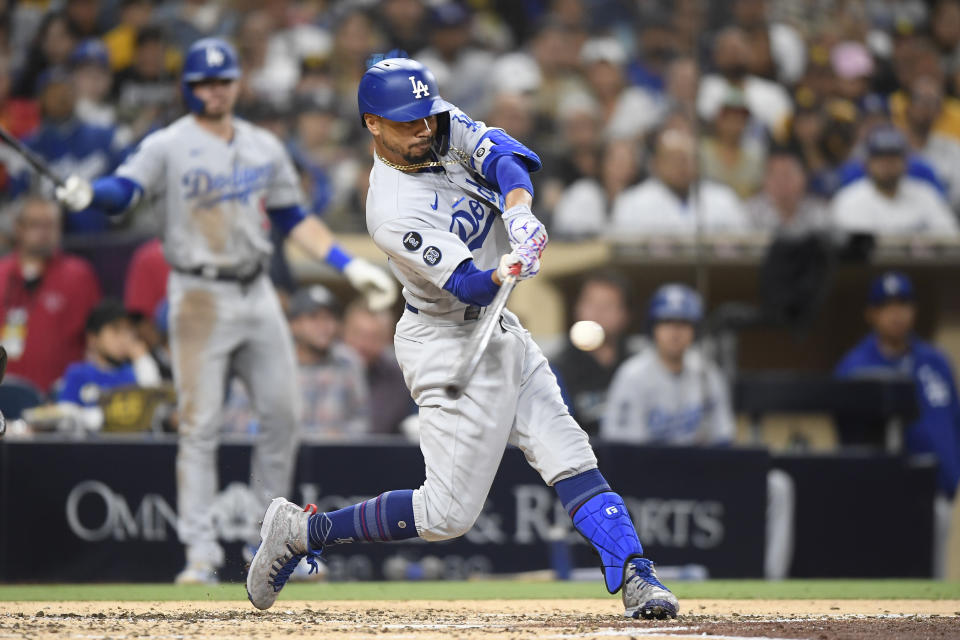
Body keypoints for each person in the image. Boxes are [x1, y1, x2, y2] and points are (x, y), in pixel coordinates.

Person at [246, 56, 678, 620]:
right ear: (372, 124)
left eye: (426, 116)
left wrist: (519, 212)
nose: (424, 129)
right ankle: (304, 531)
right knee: (446, 516)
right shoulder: (390, 209)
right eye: (407, 122)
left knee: (569, 453)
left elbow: (506, 156)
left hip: (500, 332)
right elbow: (469, 286)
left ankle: (638, 576)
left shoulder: (436, 122)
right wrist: (505, 271)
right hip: (445, 340)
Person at [53, 38, 398, 585]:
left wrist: (344, 264)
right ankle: (200, 554)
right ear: (187, 88)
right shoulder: (168, 143)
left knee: (284, 414)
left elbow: (291, 216)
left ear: (237, 84)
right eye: (204, 82)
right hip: (197, 292)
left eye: (223, 81)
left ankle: (276, 543)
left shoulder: (263, 145)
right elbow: (125, 191)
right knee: (199, 426)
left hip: (256, 288)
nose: (215, 90)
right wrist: (88, 193)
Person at [601, 284, 795, 579]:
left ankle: (771, 581)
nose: (675, 332)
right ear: (653, 328)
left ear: (694, 330)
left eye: (683, 323)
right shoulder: (633, 375)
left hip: (700, 476)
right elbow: (625, 454)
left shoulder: (707, 373)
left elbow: (723, 440)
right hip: (649, 481)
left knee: (777, 485)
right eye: (667, 322)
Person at [835, 272, 960, 576]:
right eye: (887, 305)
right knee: (881, 577)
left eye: (903, 304)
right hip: (878, 495)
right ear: (871, 313)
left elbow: (953, 419)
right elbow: (847, 434)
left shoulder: (934, 361)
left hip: (936, 489)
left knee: (932, 583)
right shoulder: (854, 366)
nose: (897, 314)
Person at [0, 196, 101, 393]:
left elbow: (95, 340)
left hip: (60, 395)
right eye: (36, 225)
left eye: (51, 225)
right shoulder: (2, 275)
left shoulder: (79, 275)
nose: (44, 233)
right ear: (18, 227)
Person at [610, 127, 749, 235]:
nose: (682, 165)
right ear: (656, 163)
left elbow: (743, 244)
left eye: (688, 158)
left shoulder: (722, 198)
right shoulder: (632, 202)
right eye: (674, 158)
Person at [831, 126, 959, 236]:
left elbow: (949, 236)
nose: (887, 164)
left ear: (906, 162)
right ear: (867, 163)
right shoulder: (848, 200)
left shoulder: (925, 194)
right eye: (880, 157)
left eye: (893, 157)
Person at [552, 273, 633, 436]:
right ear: (578, 309)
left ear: (624, 315)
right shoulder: (557, 369)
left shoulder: (635, 366)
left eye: (607, 306)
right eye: (590, 304)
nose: (597, 313)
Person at [58, 299, 160, 410]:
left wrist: (142, 360)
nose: (123, 339)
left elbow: (154, 406)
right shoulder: (78, 375)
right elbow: (65, 416)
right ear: (93, 339)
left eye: (128, 331)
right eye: (115, 331)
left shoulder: (134, 373)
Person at [342, 299, 413, 436]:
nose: (363, 344)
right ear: (343, 331)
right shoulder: (324, 370)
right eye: (358, 334)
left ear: (388, 339)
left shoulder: (401, 378)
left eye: (374, 337)